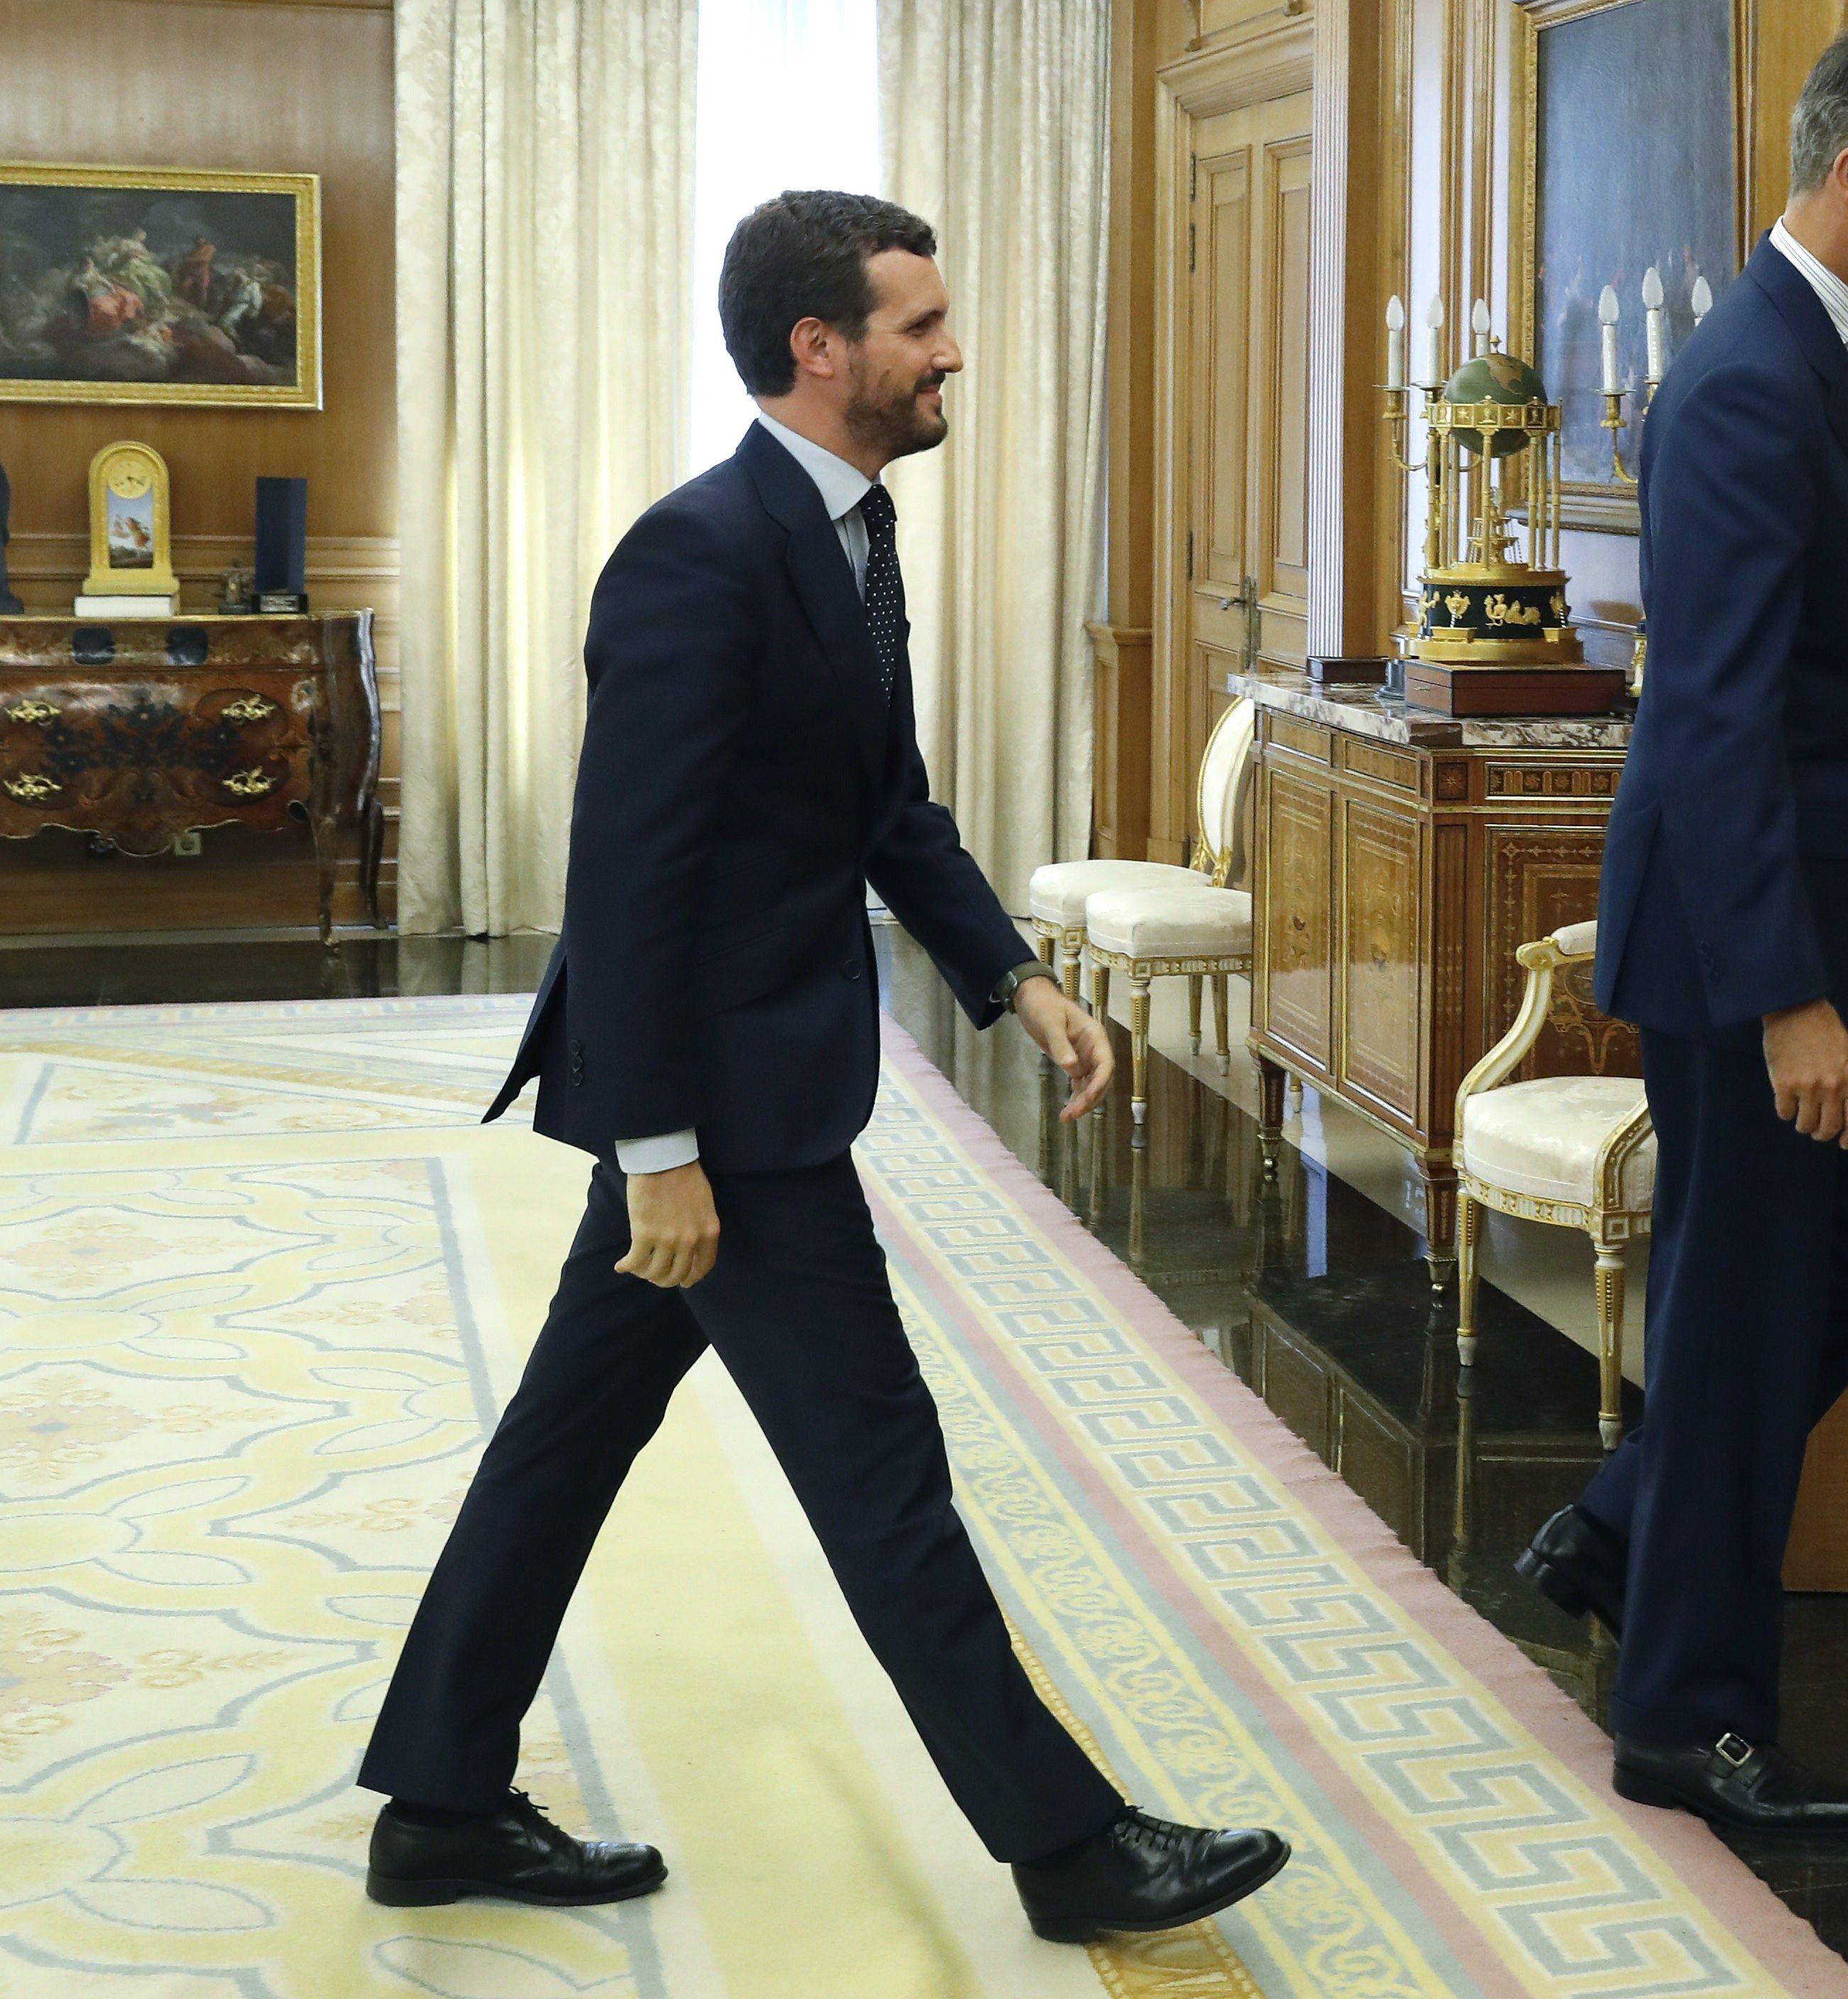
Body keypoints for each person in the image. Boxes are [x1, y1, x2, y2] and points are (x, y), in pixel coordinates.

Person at [356, 190, 1291, 1942]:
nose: (951, 353)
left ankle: (439, 1795)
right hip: (723, 1107)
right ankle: (1069, 1845)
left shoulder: (853, 539)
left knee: (563, 1442)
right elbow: (627, 876)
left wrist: (1014, 979)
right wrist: (658, 1144)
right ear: (820, 348)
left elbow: (885, 804)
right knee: (883, 1470)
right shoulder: (698, 550)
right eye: (921, 325)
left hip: (748, 1082)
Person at [1513, 27, 1848, 1833]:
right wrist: (1794, 994)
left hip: (1837, 910)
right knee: (1741, 1313)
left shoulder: (1838, 352)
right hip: (1755, 945)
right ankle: (1685, 1714)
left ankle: (1627, 1524)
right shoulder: (1743, 380)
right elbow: (1709, 718)